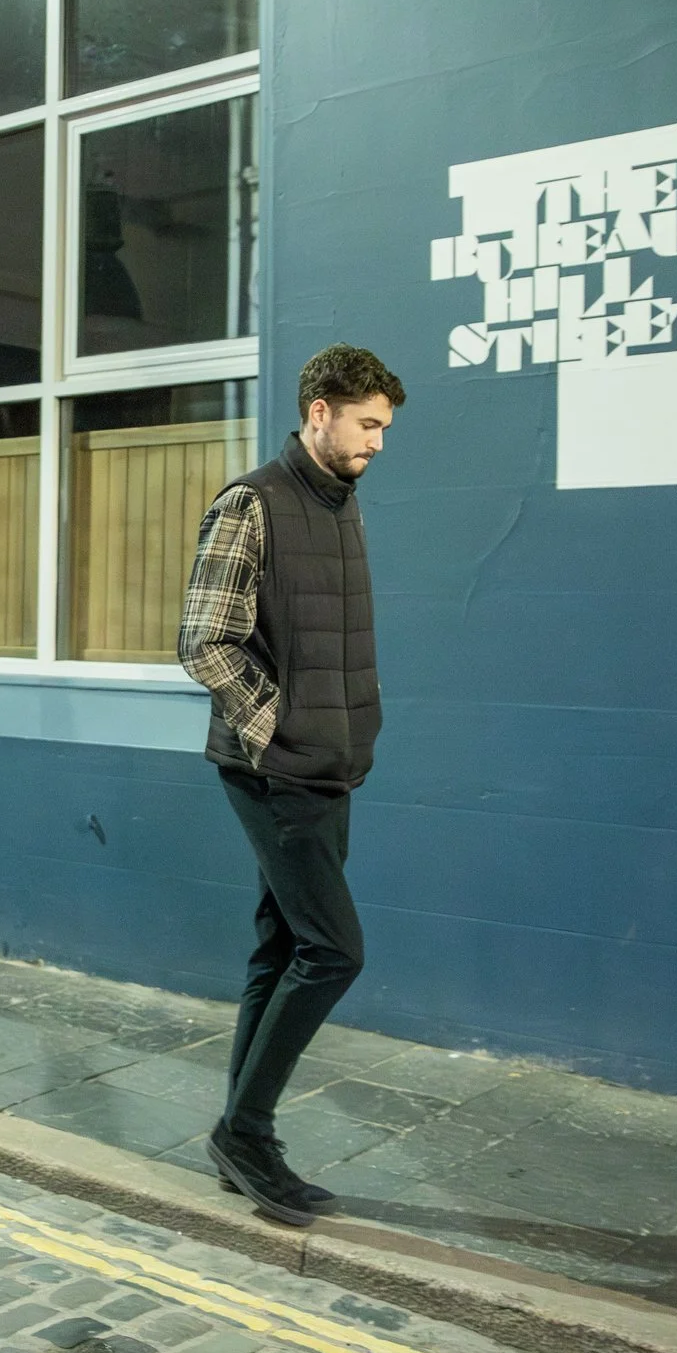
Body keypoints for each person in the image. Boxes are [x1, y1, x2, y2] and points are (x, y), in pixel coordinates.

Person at [178, 343, 403, 1227]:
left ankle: (242, 1135)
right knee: (332, 949)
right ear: (320, 412)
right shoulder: (254, 504)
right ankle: (247, 1130)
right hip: (277, 769)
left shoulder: (341, 506)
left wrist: (347, 732)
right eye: (367, 424)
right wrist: (280, 727)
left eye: (385, 427)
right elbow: (206, 640)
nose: (378, 443)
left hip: (333, 765)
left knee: (282, 947)